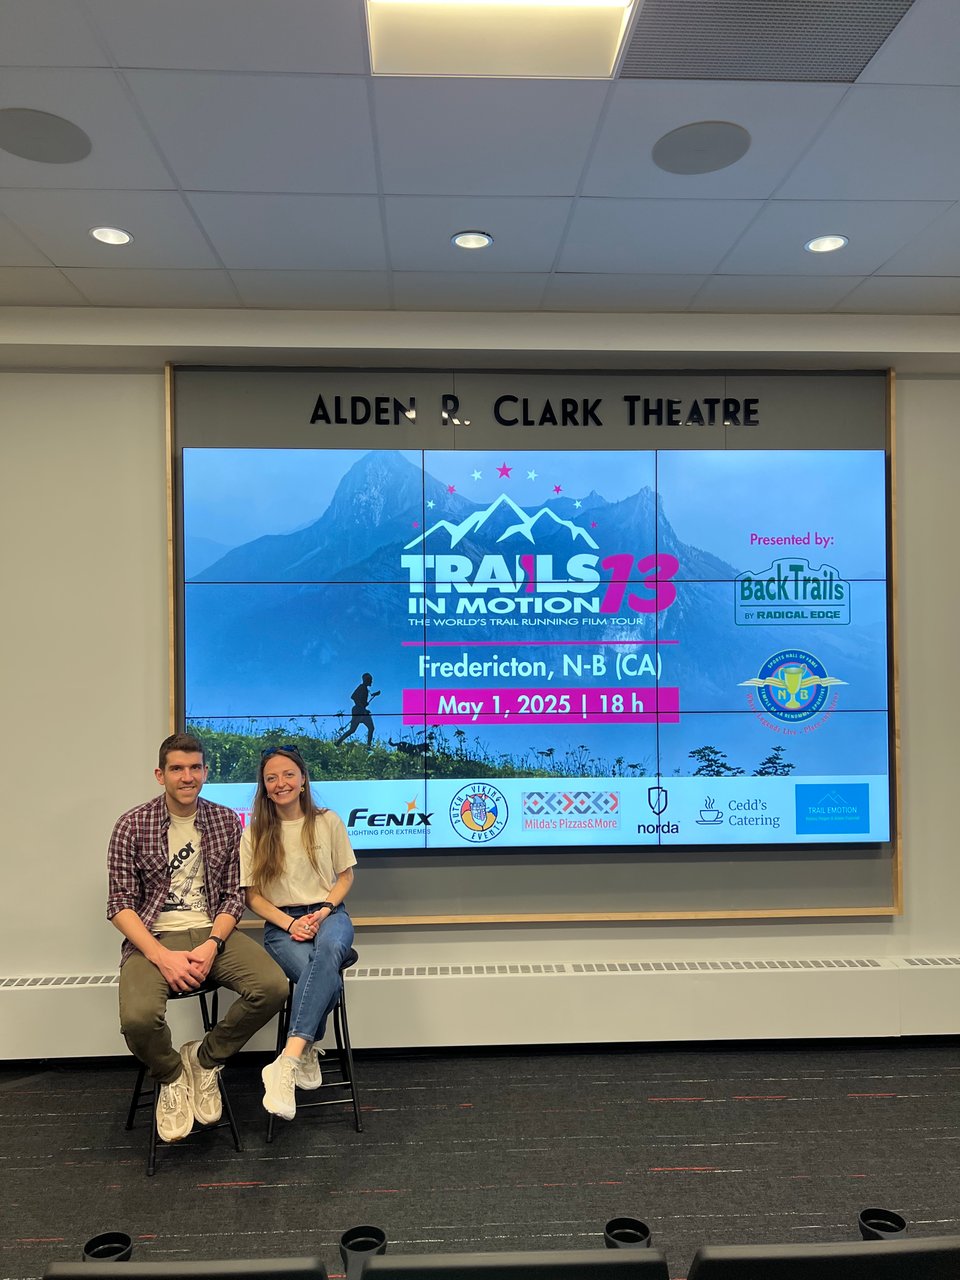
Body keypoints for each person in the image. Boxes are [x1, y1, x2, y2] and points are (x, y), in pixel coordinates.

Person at [107, 733, 288, 1143]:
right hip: (153, 936)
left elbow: (232, 896)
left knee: (273, 987)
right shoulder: (131, 824)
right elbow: (119, 905)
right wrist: (161, 956)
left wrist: (212, 945)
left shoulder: (225, 821)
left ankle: (205, 1060)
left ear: (205, 772)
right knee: (137, 1019)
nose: (187, 777)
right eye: (177, 769)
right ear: (160, 775)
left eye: (194, 768)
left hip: (211, 932)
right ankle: (172, 1075)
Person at [240, 744, 357, 1122]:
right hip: (281, 925)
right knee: (326, 978)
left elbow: (345, 877)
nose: (281, 783)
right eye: (271, 778)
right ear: (264, 786)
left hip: (329, 913)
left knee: (329, 950)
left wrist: (323, 912)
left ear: (303, 779)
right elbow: (252, 897)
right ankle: (305, 1050)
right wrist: (291, 923)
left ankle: (287, 1061)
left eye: (288, 774)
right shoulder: (255, 834)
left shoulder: (328, 821)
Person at [334, 672, 380, 747]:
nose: (371, 681)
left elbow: (361, 700)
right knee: (356, 729)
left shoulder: (365, 689)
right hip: (359, 711)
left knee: (362, 729)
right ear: (366, 680)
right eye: (370, 680)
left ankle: (368, 746)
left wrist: (371, 697)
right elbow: (353, 697)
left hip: (361, 711)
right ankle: (368, 746)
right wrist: (362, 707)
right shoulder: (361, 687)